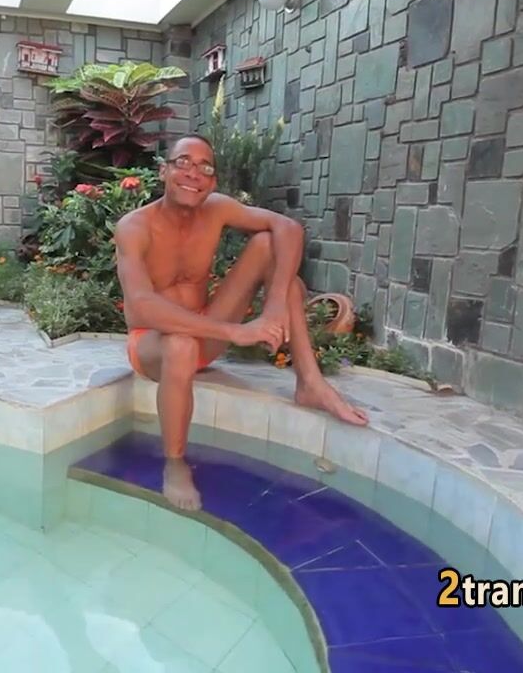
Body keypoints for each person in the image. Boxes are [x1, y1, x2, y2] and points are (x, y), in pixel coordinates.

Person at [114, 134, 370, 512]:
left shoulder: (216, 208)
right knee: (180, 344)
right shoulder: (135, 227)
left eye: (205, 167)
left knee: (269, 248)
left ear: (213, 182)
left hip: (204, 336)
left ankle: (311, 383)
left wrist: (275, 305)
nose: (193, 173)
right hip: (154, 346)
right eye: (183, 162)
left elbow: (288, 228)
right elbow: (140, 309)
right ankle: (175, 462)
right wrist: (235, 331)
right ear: (164, 171)